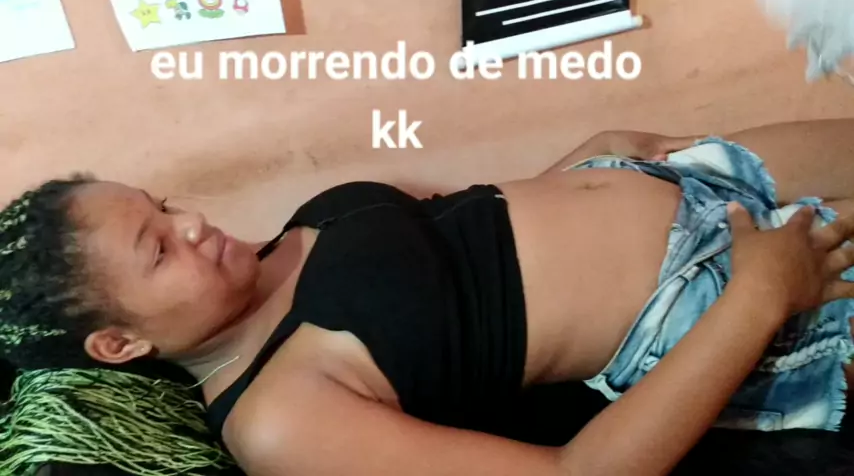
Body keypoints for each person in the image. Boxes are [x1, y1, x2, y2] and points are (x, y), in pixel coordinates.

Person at [1, 118, 854, 476]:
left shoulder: (261, 259)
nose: (190, 223)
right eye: (158, 248)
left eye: (161, 206)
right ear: (120, 344)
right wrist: (757, 300)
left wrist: (586, 163)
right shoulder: (274, 420)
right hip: (721, 300)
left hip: (684, 173)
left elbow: (466, 251)